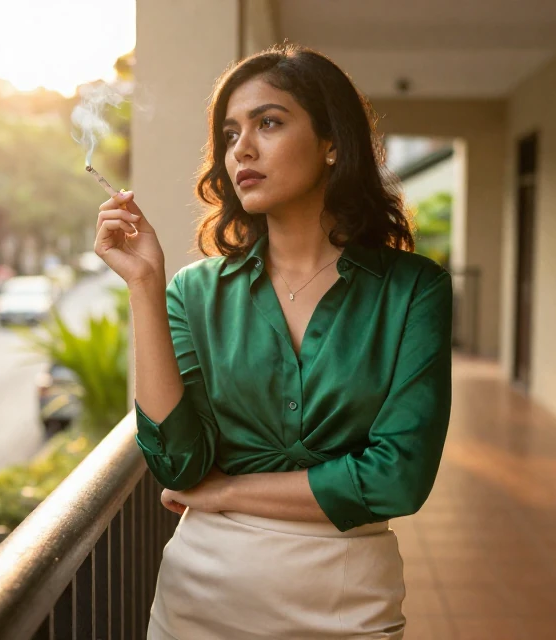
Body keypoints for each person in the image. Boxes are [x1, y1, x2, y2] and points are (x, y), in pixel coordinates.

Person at [93, 44, 453, 640]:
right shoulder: (192, 292)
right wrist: (145, 285)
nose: (243, 149)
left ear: (332, 142)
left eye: (269, 122)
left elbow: (399, 479)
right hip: (200, 598)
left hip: (348, 600)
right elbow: (178, 462)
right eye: (230, 133)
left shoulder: (414, 290)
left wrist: (227, 490)